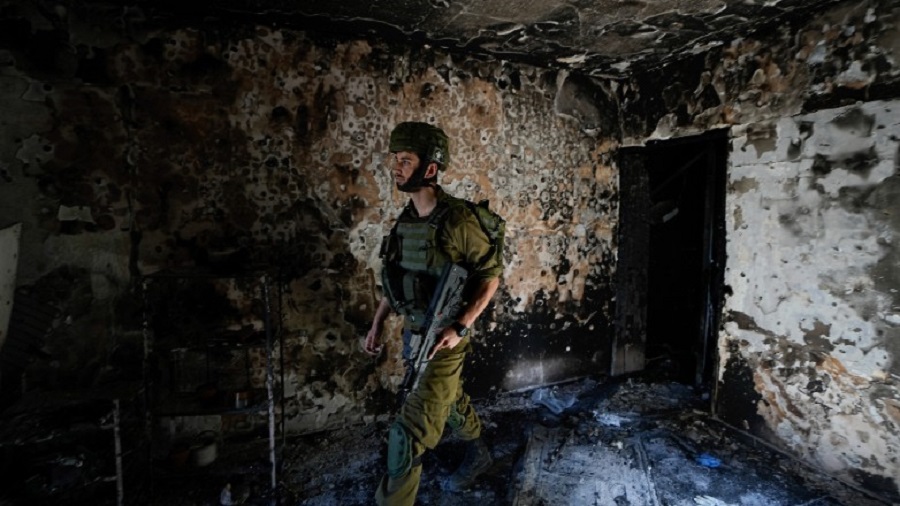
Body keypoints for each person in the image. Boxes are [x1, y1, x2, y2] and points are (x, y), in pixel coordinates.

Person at [363, 121, 504, 505]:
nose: (396, 167)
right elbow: (395, 283)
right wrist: (376, 324)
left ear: (429, 169)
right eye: (395, 159)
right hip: (413, 334)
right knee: (450, 398)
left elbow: (490, 276)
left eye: (405, 160)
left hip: (445, 340)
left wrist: (459, 327)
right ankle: (479, 454)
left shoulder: (459, 220)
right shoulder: (405, 223)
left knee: (407, 432)